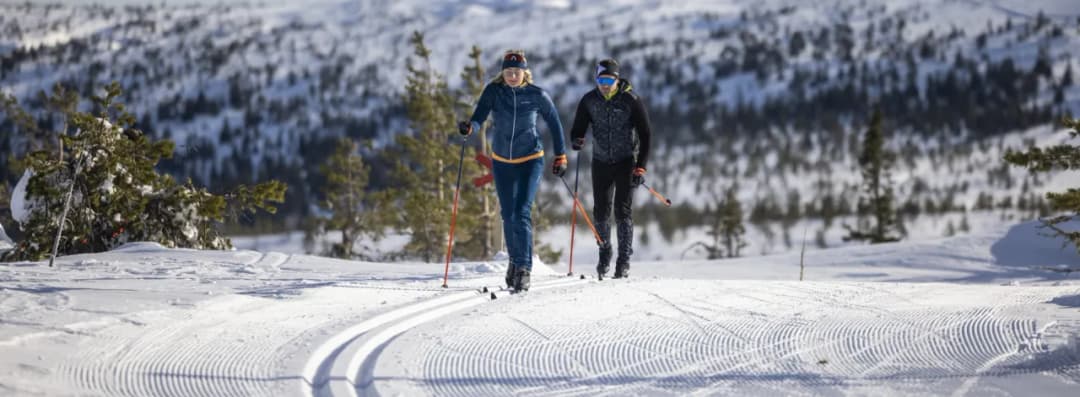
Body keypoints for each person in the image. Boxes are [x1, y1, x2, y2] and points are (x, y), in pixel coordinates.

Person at [459, 50, 567, 292]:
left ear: (524, 72)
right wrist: (470, 127)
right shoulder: (494, 91)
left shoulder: (537, 95)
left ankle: (524, 268)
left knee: (521, 212)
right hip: (502, 162)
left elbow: (555, 123)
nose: (512, 76)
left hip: (530, 160)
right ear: (503, 72)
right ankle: (514, 261)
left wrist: (561, 155)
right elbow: (479, 117)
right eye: (508, 71)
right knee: (508, 215)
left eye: (516, 72)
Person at [569, 58, 652, 279]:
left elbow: (645, 134)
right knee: (601, 212)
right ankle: (605, 251)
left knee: (622, 211)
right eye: (601, 80)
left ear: (617, 79)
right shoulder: (589, 100)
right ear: (596, 80)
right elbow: (578, 128)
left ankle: (623, 260)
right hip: (600, 162)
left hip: (626, 161)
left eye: (609, 80)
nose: (604, 85)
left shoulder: (630, 100)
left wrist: (641, 167)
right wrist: (576, 139)